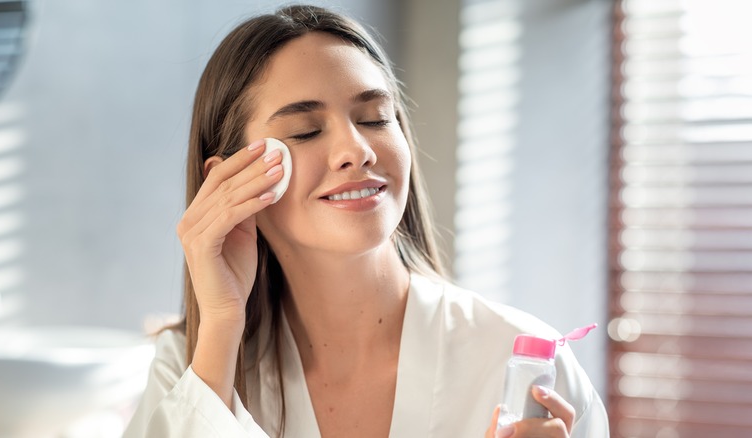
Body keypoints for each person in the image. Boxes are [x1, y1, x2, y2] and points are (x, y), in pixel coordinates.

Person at [123, 4, 609, 438]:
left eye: (376, 118)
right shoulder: (190, 364)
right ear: (227, 181)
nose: (357, 150)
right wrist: (222, 325)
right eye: (305, 131)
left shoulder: (522, 369)